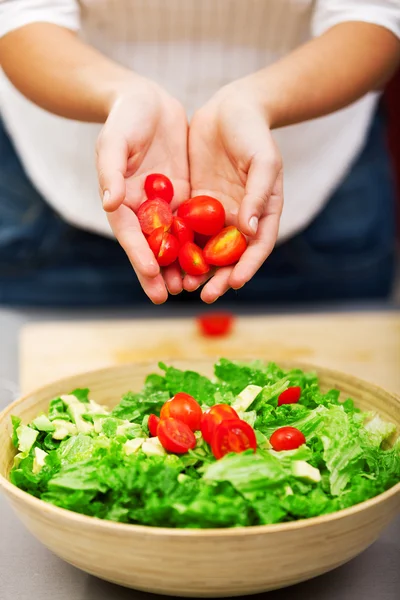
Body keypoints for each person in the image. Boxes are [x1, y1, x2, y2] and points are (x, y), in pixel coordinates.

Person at [0, 1, 399, 307]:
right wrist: (121, 95)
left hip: (314, 184)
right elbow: (20, 14)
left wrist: (256, 101)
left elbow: (375, 16)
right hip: (54, 193)